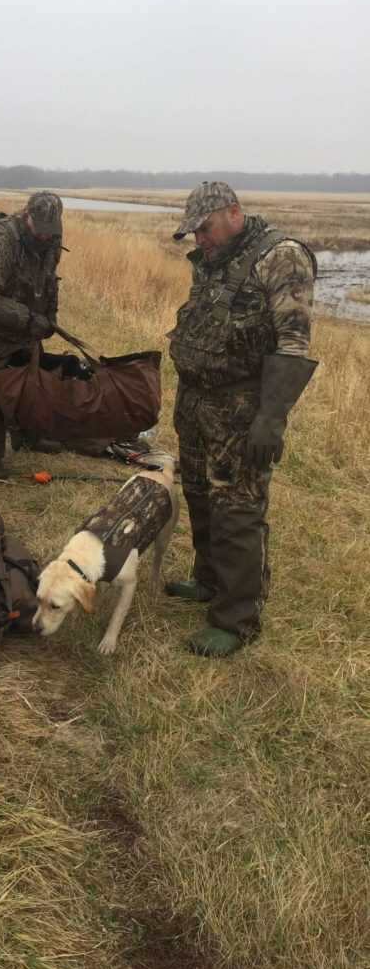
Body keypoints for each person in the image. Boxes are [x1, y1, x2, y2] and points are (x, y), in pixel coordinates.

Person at [166, 181, 318, 657]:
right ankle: (209, 579)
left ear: (233, 213)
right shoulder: (213, 258)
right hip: (196, 402)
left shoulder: (281, 256)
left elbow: (293, 342)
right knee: (197, 492)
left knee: (237, 507)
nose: (199, 239)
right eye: (194, 232)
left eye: (204, 228)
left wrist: (271, 418)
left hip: (241, 409)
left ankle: (236, 619)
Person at [0, 191, 64, 479]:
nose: (45, 236)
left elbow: (50, 281)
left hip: (25, 326)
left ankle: (29, 437)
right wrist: (28, 319)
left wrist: (50, 316)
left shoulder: (52, 237)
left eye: (50, 230)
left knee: (30, 383)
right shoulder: (1, 240)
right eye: (40, 229)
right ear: (26, 215)